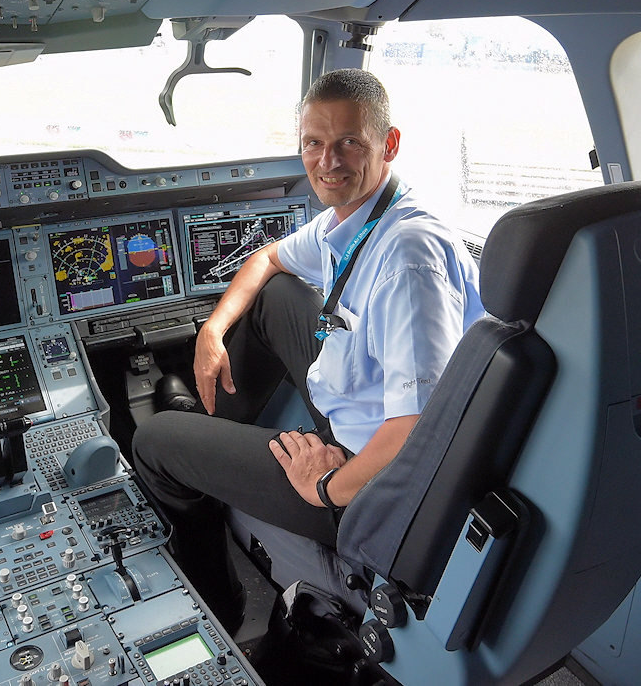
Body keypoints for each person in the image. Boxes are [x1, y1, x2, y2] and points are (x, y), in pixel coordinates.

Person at [131, 68, 485, 630]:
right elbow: (268, 260)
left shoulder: (409, 259)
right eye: (314, 144)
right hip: (367, 411)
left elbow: (421, 431)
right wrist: (212, 331)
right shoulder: (359, 220)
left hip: (377, 484)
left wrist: (325, 487)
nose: (329, 161)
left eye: (349, 142)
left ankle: (218, 603)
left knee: (151, 443)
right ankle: (211, 426)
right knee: (274, 296)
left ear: (388, 144)